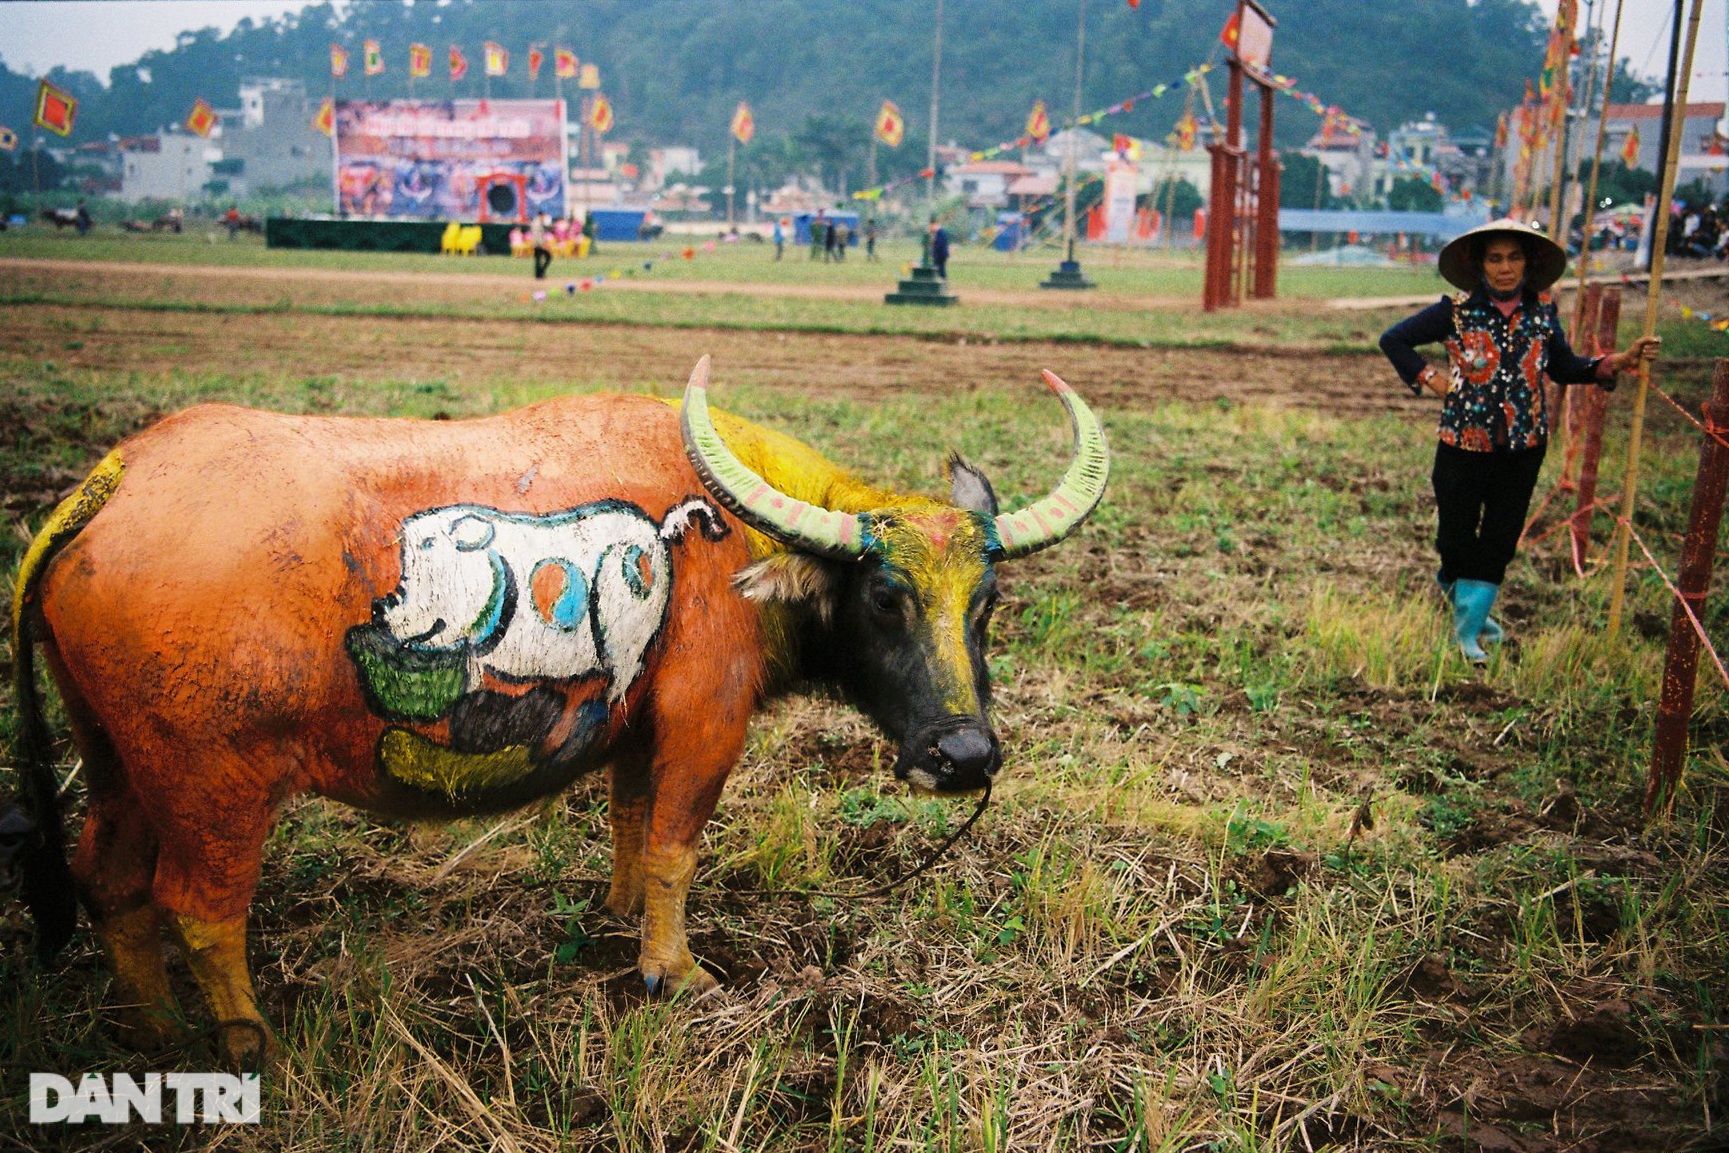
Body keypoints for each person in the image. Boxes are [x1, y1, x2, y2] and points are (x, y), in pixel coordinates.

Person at [1379, 219, 1660, 662]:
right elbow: (1393, 339)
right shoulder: (1454, 312)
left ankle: (1468, 632)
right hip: (1461, 446)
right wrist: (1430, 378)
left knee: (1499, 540)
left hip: (1523, 448)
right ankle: (1464, 600)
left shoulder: (1542, 315)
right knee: (1454, 539)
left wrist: (1614, 362)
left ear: (1529, 264)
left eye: (1514, 258)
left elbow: (1564, 367)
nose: (1505, 268)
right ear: (1480, 265)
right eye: (1495, 258)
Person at [530, 212, 552, 280]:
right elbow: (538, 236)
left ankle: (539, 274)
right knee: (547, 257)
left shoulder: (536, 222)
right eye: (543, 216)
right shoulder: (537, 224)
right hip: (538, 244)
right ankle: (540, 273)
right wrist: (542, 245)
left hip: (537, 243)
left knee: (538, 259)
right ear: (541, 216)